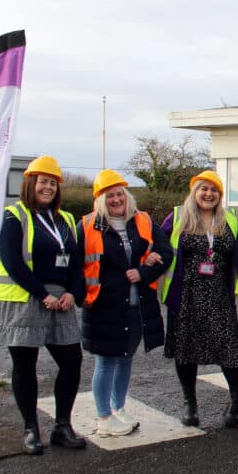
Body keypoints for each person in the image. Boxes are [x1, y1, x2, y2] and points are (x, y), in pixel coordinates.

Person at [0, 155, 87, 455]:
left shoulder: (64, 219)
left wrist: (72, 293)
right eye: (43, 182)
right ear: (30, 183)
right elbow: (13, 263)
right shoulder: (13, 216)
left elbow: (76, 263)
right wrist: (43, 293)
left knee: (71, 361)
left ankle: (62, 426)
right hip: (26, 298)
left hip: (60, 300)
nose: (48, 187)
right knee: (24, 365)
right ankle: (30, 429)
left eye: (53, 183)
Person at [77, 169, 172, 437]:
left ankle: (118, 409)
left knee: (126, 358)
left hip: (137, 305)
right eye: (110, 195)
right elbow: (76, 265)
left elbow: (165, 252)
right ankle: (103, 417)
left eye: (119, 193)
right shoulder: (87, 225)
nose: (116, 199)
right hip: (103, 306)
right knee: (106, 361)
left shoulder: (142, 220)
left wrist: (143, 272)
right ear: (100, 200)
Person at [160, 171, 238, 429]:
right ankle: (190, 403)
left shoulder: (231, 219)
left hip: (220, 295)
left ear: (219, 195)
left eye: (213, 190)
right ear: (194, 192)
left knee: (230, 350)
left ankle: (235, 403)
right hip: (186, 294)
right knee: (185, 350)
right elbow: (158, 247)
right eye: (203, 189)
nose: (208, 194)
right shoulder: (178, 217)